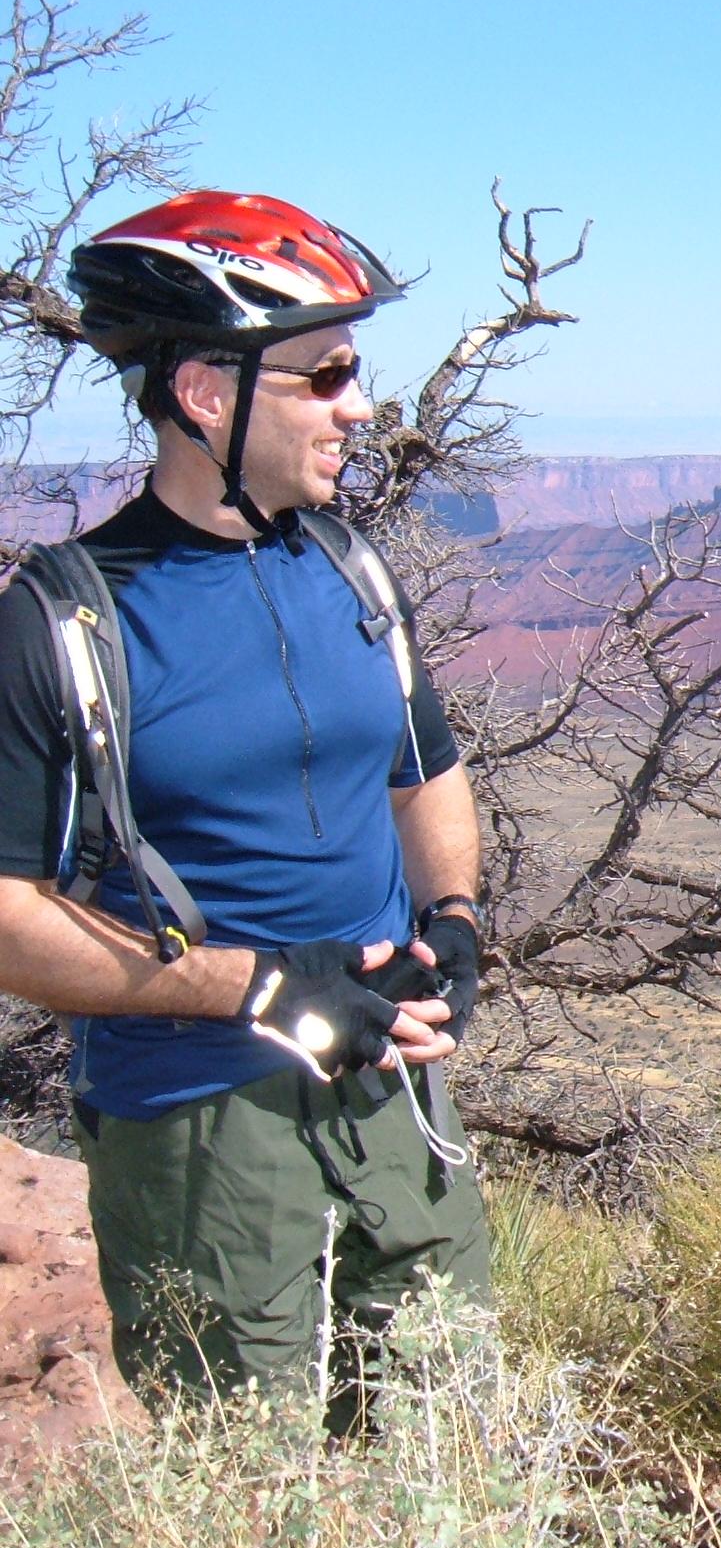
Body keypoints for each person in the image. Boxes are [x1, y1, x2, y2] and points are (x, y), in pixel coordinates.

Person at [0, 191, 490, 1428]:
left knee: (448, 1466)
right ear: (208, 394)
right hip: (200, 1126)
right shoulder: (65, 619)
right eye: (324, 375)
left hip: (392, 1092)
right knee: (260, 1516)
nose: (359, 407)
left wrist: (457, 916)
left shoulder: (347, 567)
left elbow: (421, 766)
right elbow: (7, 920)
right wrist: (260, 987)